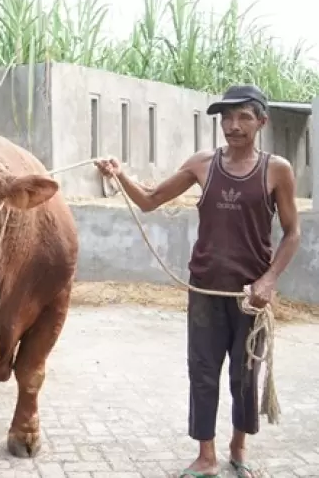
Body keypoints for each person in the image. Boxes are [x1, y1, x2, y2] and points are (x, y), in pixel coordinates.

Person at [94, 84, 300, 478]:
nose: (233, 126)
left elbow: (293, 233)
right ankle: (206, 457)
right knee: (202, 371)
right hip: (204, 288)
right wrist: (120, 175)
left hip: (249, 296)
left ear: (261, 121)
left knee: (244, 373)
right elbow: (150, 200)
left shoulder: (277, 170)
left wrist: (269, 280)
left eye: (243, 117)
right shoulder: (203, 164)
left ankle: (238, 448)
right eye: (226, 117)